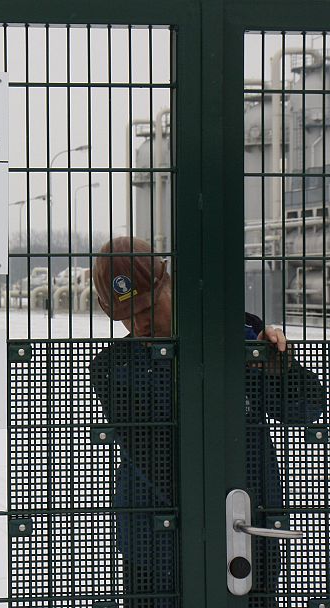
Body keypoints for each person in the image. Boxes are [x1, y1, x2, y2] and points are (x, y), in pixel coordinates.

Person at [89, 236, 326, 608]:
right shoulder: (114, 369)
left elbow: (308, 409)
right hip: (154, 547)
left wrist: (280, 369)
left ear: (171, 286)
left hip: (247, 532)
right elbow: (156, 458)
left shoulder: (236, 339)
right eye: (127, 316)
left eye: (149, 306)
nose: (141, 322)